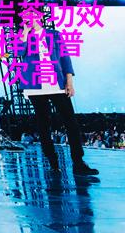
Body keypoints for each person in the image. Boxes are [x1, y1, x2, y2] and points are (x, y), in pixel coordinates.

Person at [18, 13, 98, 175]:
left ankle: (78, 162)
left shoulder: (54, 35)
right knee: (43, 125)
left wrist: (69, 82)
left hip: (56, 84)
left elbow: (65, 58)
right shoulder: (22, 36)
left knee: (71, 122)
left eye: (32, 15)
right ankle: (53, 163)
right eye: (26, 17)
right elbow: (19, 52)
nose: (29, 19)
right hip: (35, 86)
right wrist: (25, 33)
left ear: (39, 17)